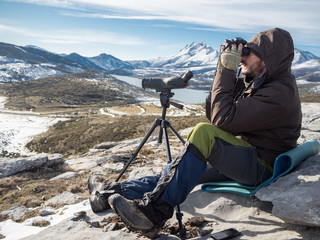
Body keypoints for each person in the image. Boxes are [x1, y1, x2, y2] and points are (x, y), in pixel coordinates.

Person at [88, 28, 302, 233]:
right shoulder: (263, 83)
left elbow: (221, 119)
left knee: (203, 132)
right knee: (179, 171)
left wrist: (228, 70)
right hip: (247, 154)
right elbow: (213, 107)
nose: (242, 58)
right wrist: (225, 67)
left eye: (249, 53)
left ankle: (154, 214)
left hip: (260, 165)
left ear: (267, 60)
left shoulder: (279, 92)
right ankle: (109, 192)